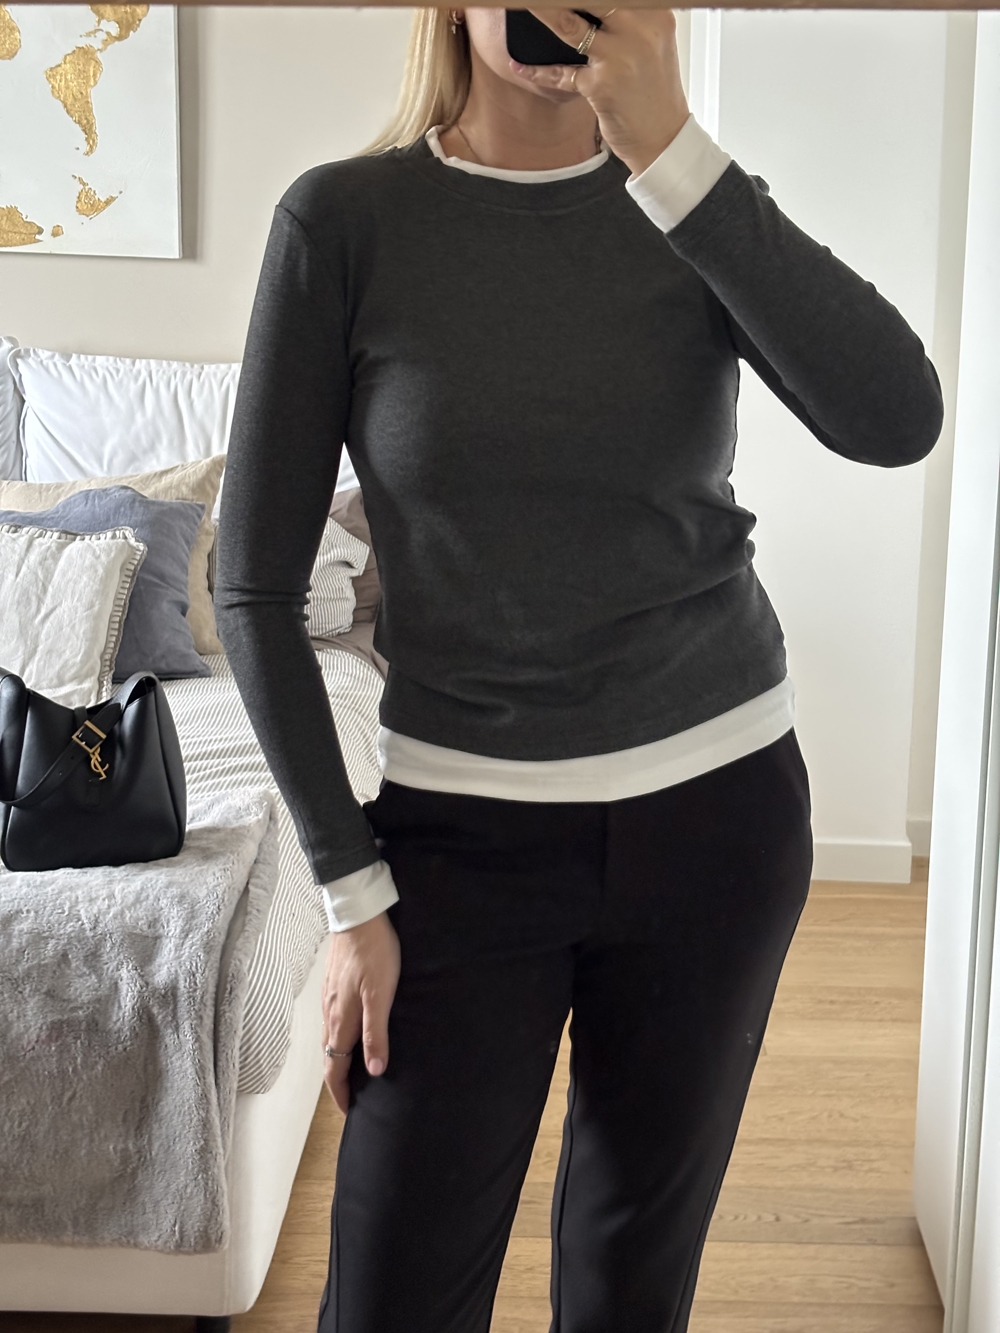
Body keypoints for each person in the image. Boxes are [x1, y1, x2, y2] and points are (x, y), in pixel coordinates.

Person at [214, 7, 944, 1331]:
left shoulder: (691, 201)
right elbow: (254, 589)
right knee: (391, 1296)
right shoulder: (346, 223)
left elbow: (897, 420)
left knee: (629, 1288)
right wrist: (349, 893)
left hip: (718, 823)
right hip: (455, 851)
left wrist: (673, 151)